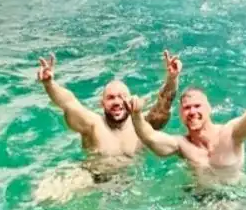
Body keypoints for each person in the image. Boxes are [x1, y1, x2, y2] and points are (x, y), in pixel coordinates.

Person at [32, 50, 181, 201]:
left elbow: (163, 106)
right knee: (46, 193)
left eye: (122, 97)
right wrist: (49, 84)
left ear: (130, 99)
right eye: (110, 98)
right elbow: (68, 103)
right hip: (93, 179)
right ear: (102, 103)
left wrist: (172, 78)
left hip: (132, 182)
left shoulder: (142, 125)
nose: (117, 102)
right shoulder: (93, 125)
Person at [126, 59, 246, 190]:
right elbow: (150, 137)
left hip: (234, 200)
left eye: (197, 106)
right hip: (199, 202)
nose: (192, 111)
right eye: (187, 108)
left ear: (209, 109)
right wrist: (136, 114)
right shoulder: (182, 145)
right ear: (181, 114)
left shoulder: (231, 134)